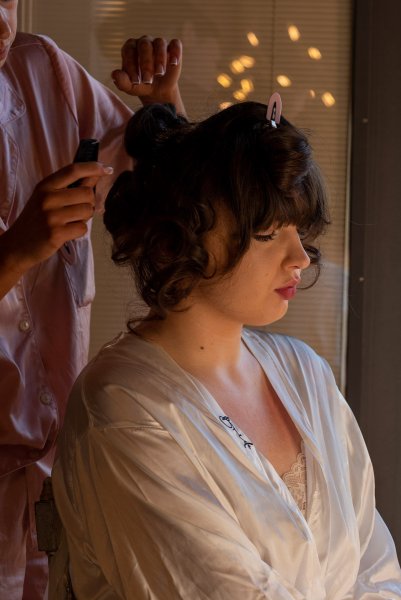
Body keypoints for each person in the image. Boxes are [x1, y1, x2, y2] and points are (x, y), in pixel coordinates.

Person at [52, 98, 401, 599]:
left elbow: (375, 564)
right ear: (182, 236)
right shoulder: (123, 409)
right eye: (267, 233)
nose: (299, 257)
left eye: (298, 230)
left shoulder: (306, 374)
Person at [0, 1, 185, 597]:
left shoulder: (42, 73)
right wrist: (16, 252)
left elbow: (163, 190)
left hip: (60, 489)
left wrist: (160, 114)